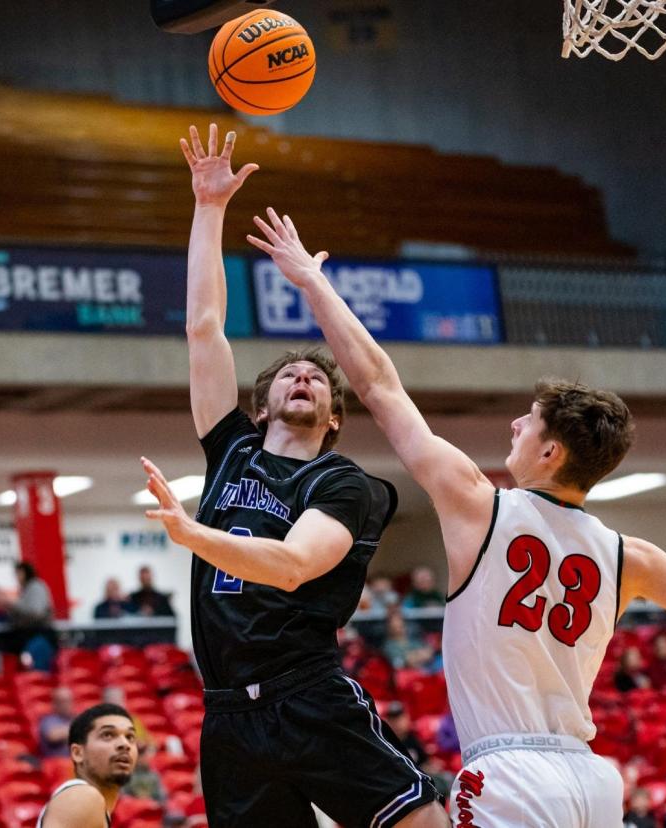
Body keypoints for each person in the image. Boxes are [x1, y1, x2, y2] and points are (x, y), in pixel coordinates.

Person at [247, 205, 666, 827]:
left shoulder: (478, 504)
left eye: (528, 423)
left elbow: (379, 385)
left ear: (552, 450)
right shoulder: (632, 557)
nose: (514, 424)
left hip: (508, 771)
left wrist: (311, 282)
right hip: (590, 780)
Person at [139, 124, 444, 828]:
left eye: (317, 378)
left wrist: (192, 534)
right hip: (227, 716)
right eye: (289, 374)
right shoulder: (231, 451)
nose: (304, 375)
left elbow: (291, 566)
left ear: (334, 415)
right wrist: (208, 207)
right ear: (261, 401)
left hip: (306, 695)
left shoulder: (346, 485)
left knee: (422, 824)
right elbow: (203, 327)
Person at [36, 703, 139, 828]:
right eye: (107, 735)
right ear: (78, 753)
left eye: (130, 737)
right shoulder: (84, 796)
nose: (124, 744)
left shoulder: (93, 804)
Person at [7, 561, 57, 671]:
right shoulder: (25, 590)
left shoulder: (36, 587)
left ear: (25, 572)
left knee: (38, 671)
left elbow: (36, 612)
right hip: (29, 636)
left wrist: (13, 604)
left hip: (39, 636)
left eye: (18, 573)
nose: (16, 577)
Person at [382, 607, 435, 671]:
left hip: (423, 674)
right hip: (405, 678)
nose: (399, 627)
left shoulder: (414, 641)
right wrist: (416, 656)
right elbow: (398, 664)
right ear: (389, 627)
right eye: (395, 626)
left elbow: (428, 653)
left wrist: (413, 657)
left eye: (401, 625)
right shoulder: (389, 646)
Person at [39, 687, 77, 759]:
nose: (67, 704)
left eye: (69, 701)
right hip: (55, 763)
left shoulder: (74, 719)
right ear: (55, 703)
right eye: (63, 701)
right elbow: (53, 736)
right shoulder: (48, 720)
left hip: (73, 762)